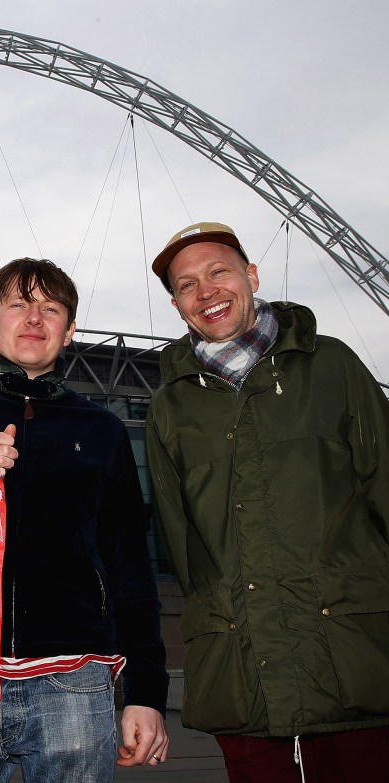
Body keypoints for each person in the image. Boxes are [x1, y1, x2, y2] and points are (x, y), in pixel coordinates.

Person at [0, 257, 170, 782]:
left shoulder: (103, 430)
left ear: (69, 331)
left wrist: (147, 694)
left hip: (73, 682)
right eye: (18, 304)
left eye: (50, 309)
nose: (33, 318)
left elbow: (131, 568)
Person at [145, 221, 389, 782]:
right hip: (245, 673)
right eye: (186, 285)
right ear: (178, 305)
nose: (205, 292)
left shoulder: (332, 366)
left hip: (354, 661)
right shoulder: (170, 407)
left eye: (217, 272)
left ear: (251, 277)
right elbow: (184, 547)